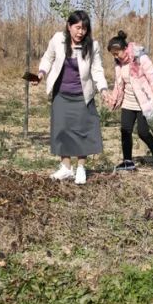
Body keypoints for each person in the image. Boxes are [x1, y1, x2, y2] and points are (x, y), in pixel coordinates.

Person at [32, 10, 110, 185]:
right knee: (62, 130)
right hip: (61, 94)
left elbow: (97, 70)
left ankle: (81, 167)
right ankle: (66, 167)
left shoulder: (93, 46)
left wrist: (104, 89)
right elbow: (48, 57)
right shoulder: (58, 39)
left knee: (83, 130)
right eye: (77, 28)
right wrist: (41, 73)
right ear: (69, 26)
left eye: (84, 28)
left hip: (83, 96)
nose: (80, 32)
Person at [105, 30, 153, 171]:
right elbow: (118, 84)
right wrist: (113, 99)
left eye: (117, 53)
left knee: (143, 132)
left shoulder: (140, 59)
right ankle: (128, 161)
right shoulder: (118, 64)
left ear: (125, 49)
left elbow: (152, 77)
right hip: (128, 102)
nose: (115, 57)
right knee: (125, 130)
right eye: (113, 55)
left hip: (144, 102)